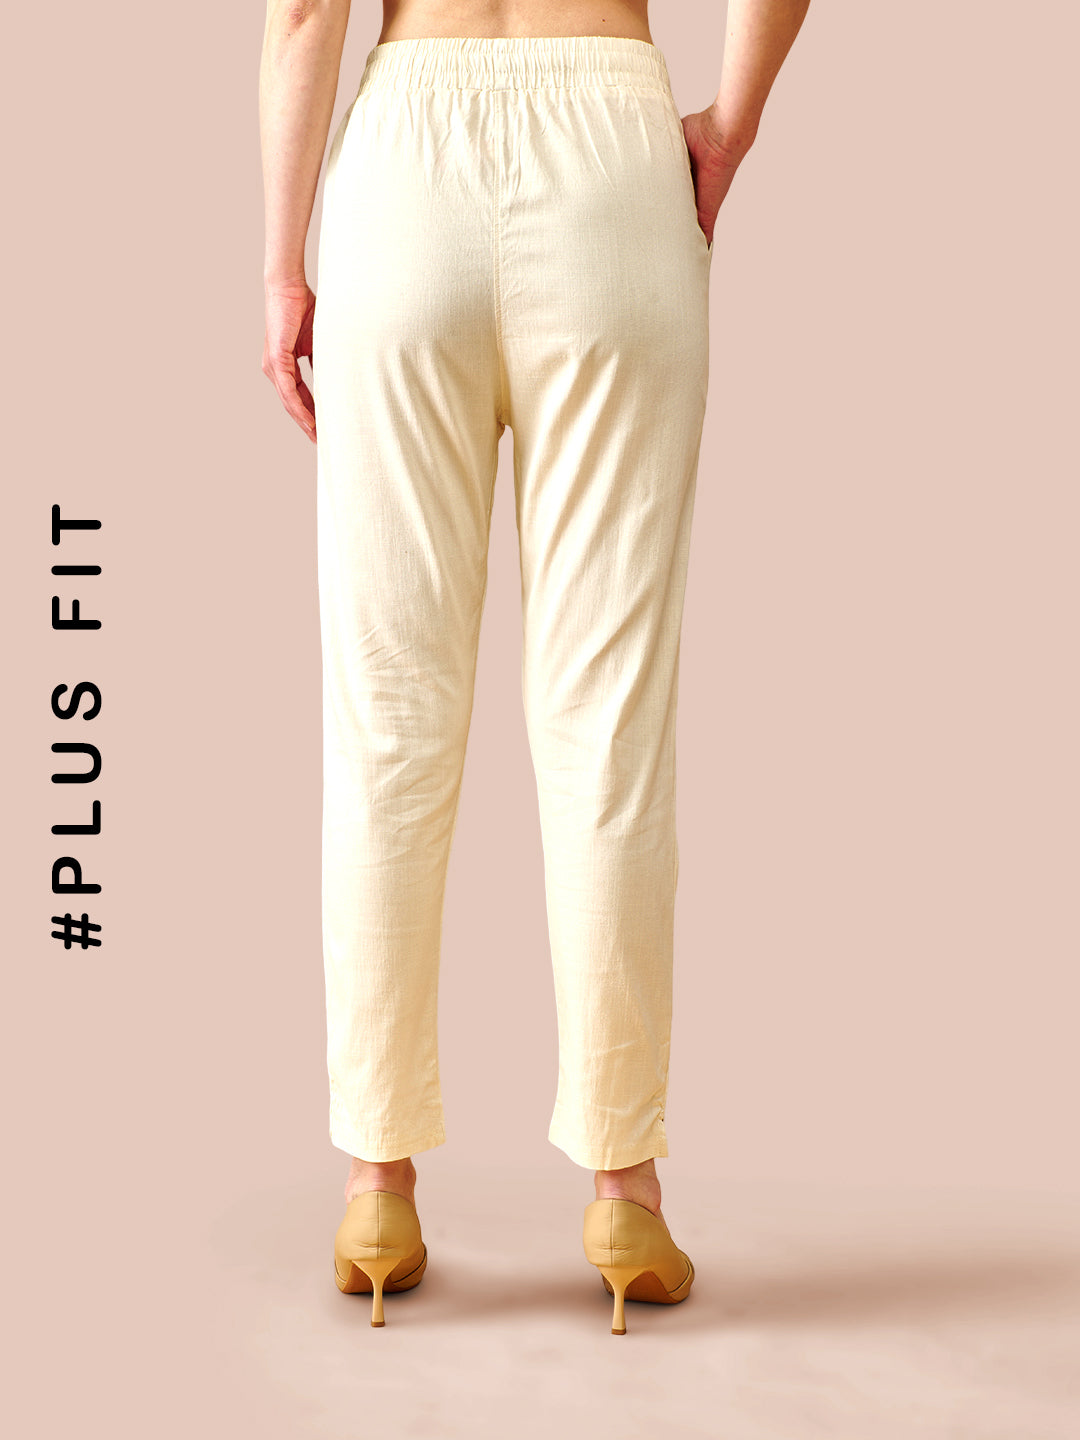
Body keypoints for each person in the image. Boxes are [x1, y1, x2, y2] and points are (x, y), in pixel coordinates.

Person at [260, 0, 811, 1332]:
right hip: (613, 157)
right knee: (607, 720)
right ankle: (625, 1192)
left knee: (388, 714)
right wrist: (731, 126)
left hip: (404, 166)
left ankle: (376, 1183)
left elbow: (305, 11)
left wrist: (283, 266)